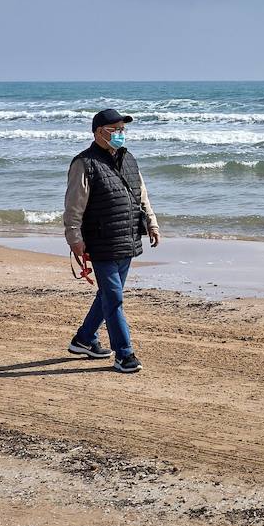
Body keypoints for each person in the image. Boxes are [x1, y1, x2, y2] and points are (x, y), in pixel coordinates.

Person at [62, 109, 161, 373]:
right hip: (101, 240)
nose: (120, 134)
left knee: (108, 295)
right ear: (98, 133)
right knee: (114, 297)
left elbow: (141, 195)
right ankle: (124, 354)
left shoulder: (129, 159)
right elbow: (73, 207)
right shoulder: (83, 164)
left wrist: (151, 222)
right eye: (114, 130)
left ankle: (84, 339)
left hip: (127, 238)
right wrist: (75, 239)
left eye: (122, 130)